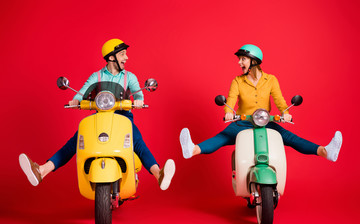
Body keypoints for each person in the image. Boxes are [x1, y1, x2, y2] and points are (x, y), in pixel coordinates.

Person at [20, 38, 175, 190]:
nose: (126, 58)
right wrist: (76, 100)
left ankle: (158, 174)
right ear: (111, 57)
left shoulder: (129, 77)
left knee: (137, 141)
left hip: (123, 118)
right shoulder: (97, 77)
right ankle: (42, 171)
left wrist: (139, 100)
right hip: (101, 117)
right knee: (77, 140)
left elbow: (139, 95)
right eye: (122, 54)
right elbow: (82, 92)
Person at [180, 44, 342, 161]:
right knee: (222, 137)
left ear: (254, 61)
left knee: (291, 138)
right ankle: (192, 149)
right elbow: (230, 99)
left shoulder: (271, 80)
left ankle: (325, 151)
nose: (239, 63)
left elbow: (279, 101)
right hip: (242, 122)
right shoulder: (237, 81)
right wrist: (228, 112)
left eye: (243, 59)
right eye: (239, 59)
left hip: (265, 122)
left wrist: (286, 113)